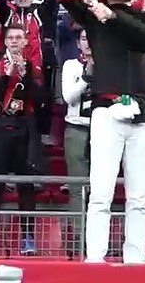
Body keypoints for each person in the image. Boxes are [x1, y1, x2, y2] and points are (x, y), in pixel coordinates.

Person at [62, 0, 145, 265]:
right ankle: (95, 258)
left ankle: (135, 257)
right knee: (100, 193)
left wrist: (112, 15)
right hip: (106, 111)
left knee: (140, 196)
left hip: (143, 112)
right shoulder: (93, 18)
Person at [0, 23, 47, 256]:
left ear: (26, 41)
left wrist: (26, 78)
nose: (15, 41)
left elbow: (41, 99)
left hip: (24, 128)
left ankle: (28, 239)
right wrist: (7, 76)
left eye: (20, 37)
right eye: (11, 38)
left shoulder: (33, 67)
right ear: (5, 41)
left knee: (26, 186)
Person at [59, 27, 92, 257]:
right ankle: (80, 239)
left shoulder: (110, 64)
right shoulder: (71, 65)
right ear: (78, 43)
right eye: (83, 39)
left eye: (92, 38)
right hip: (76, 128)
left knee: (100, 189)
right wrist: (88, 76)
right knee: (78, 188)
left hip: (103, 129)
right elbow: (68, 97)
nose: (88, 43)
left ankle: (98, 237)